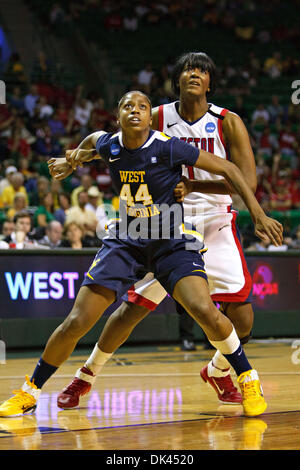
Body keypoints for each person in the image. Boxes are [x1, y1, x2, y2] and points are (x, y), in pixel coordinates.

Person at [0, 90, 282, 419]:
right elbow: (93, 141)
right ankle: (30, 391)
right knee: (77, 320)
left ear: (150, 118)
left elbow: (230, 170)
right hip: (128, 239)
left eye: (142, 106)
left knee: (204, 309)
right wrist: (72, 158)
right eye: (127, 106)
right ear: (118, 116)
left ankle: (247, 376)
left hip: (171, 239)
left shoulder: (168, 146)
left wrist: (258, 214)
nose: (135, 110)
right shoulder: (111, 144)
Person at [59, 53, 264, 407]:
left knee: (242, 317)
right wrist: (77, 156)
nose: (193, 74)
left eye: (201, 70)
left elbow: (245, 181)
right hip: (164, 222)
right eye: (187, 69)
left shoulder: (227, 121)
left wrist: (196, 185)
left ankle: (217, 371)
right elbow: (115, 143)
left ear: (210, 82)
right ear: (177, 80)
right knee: (132, 310)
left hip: (214, 220)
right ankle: (84, 377)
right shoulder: (155, 115)